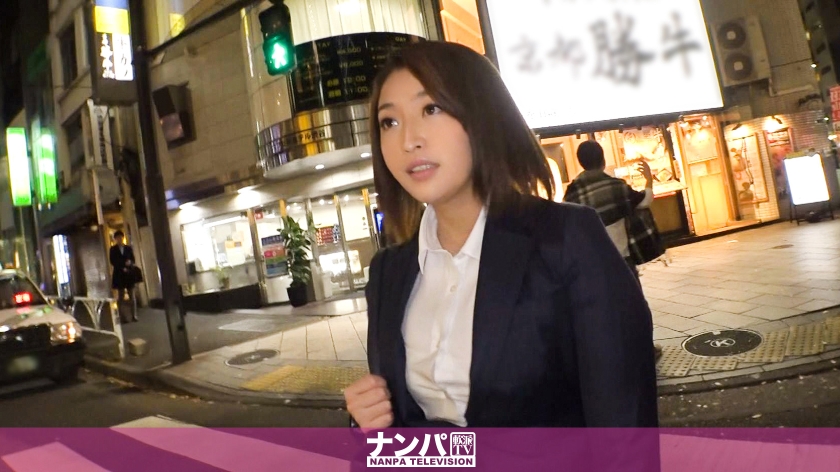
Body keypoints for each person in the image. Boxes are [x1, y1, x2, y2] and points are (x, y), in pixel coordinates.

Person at [343, 41, 658, 432]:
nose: (408, 140)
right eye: (389, 122)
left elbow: (624, 423)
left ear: (482, 115)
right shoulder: (388, 272)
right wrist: (366, 422)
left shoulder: (566, 240)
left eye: (431, 109)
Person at [563, 142, 662, 359]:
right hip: (622, 259)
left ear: (580, 162)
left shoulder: (572, 193)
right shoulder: (617, 187)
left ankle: (614, 353)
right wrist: (648, 180)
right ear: (603, 160)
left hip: (592, 263)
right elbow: (644, 201)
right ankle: (646, 350)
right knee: (635, 306)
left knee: (605, 310)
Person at [110, 230, 138, 322]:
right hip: (119, 274)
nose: (119, 239)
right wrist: (122, 266)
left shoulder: (128, 248)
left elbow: (133, 259)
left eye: (120, 237)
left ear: (123, 238)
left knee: (132, 295)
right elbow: (113, 261)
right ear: (115, 239)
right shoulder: (113, 249)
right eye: (117, 238)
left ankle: (134, 315)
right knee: (120, 296)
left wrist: (130, 263)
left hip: (129, 274)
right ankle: (122, 317)